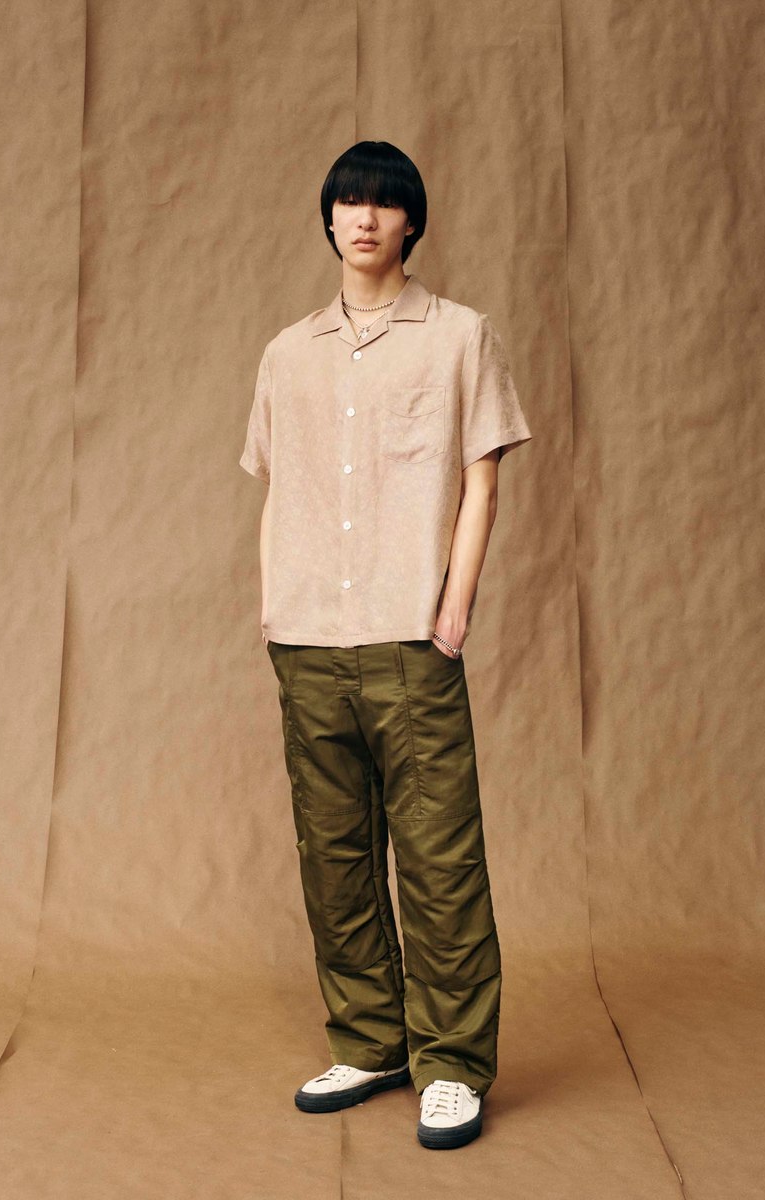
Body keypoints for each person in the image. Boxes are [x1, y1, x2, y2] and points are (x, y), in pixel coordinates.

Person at [239, 140, 532, 1150]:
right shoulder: (287, 353)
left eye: (383, 203)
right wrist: (273, 609)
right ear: (328, 219)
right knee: (335, 857)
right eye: (348, 202)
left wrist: (454, 609)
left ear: (412, 221)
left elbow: (483, 481)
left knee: (440, 859)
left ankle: (451, 1063)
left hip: (411, 637)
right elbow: (277, 487)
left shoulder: (460, 336)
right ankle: (369, 1040)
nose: (363, 218)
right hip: (307, 638)